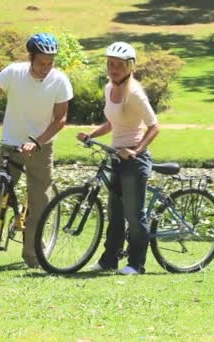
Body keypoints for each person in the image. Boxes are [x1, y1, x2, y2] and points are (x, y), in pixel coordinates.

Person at [0, 33, 73, 268]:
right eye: (41, 63)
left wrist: (37, 142)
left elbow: (60, 120)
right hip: (10, 143)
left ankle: (33, 253)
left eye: (50, 63)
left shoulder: (59, 81)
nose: (45, 68)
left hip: (40, 147)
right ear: (31, 58)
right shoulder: (13, 73)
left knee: (39, 200)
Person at [77, 42, 159, 275]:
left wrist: (137, 150)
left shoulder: (134, 94)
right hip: (116, 155)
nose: (113, 69)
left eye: (119, 65)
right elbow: (113, 123)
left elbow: (154, 127)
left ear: (130, 67)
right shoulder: (108, 88)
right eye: (110, 64)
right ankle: (109, 260)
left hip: (134, 159)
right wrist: (91, 134)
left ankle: (136, 264)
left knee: (134, 215)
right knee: (115, 213)